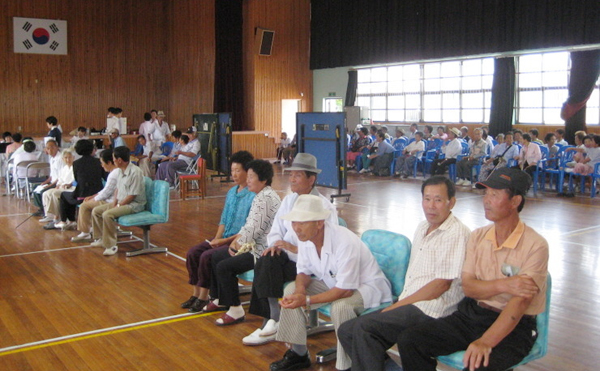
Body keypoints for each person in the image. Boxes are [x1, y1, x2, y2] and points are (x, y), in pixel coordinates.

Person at [397, 168, 548, 371]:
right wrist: (506, 284)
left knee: (478, 365)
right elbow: (469, 288)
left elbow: (518, 305)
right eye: (486, 194)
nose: (486, 200)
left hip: (516, 326)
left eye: (494, 194)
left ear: (515, 201)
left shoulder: (535, 245)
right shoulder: (478, 236)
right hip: (472, 315)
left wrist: (486, 341)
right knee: (411, 340)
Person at [338, 176, 471, 371]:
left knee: (364, 329)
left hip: (432, 309)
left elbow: (440, 286)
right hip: (411, 302)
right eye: (427, 199)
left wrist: (399, 305)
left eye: (438, 200)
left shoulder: (456, 233)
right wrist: (400, 303)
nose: (431, 206)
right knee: (347, 330)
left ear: (451, 202)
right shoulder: (422, 227)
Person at [270, 194, 392, 371]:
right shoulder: (305, 238)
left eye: (302, 222)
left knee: (341, 306)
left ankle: (348, 365)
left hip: (365, 287)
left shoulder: (344, 241)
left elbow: (345, 291)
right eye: (294, 222)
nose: (296, 228)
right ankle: (298, 354)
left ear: (319, 223)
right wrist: (300, 291)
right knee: (291, 290)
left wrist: (307, 300)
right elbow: (303, 271)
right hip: (333, 282)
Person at [242, 153, 338, 346]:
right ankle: (271, 319)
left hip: (311, 266)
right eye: (291, 175)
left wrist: (291, 247)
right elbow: (276, 228)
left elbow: (326, 248)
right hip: (287, 258)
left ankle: (271, 322)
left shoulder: (324, 207)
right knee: (266, 259)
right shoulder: (289, 200)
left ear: (311, 179)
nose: (292, 179)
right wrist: (276, 244)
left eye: (298, 175)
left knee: (268, 265)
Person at [204, 159, 281, 326]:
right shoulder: (260, 195)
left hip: (262, 251)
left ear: (264, 180)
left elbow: (255, 229)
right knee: (217, 256)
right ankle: (220, 299)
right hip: (253, 245)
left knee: (224, 266)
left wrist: (237, 244)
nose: (248, 180)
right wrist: (237, 242)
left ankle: (236, 309)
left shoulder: (266, 198)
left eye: (252, 177)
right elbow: (249, 225)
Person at [181, 151, 256, 313]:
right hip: (224, 237)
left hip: (239, 241)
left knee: (207, 257)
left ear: (248, 171)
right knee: (193, 253)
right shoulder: (231, 192)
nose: (234, 174)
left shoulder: (253, 196)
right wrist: (216, 239)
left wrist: (221, 242)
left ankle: (204, 296)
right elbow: (223, 220)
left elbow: (248, 229)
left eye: (237, 170)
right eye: (232, 170)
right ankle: (196, 294)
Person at [91, 146, 146, 256]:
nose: (113, 161)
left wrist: (119, 205)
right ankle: (101, 238)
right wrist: (115, 203)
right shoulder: (120, 171)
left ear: (119, 160)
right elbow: (117, 189)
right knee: (96, 211)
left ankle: (111, 245)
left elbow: (132, 195)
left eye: (114, 158)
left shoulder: (136, 172)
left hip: (134, 205)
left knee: (107, 214)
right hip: (121, 202)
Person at [71, 149, 119, 242]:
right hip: (109, 199)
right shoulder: (114, 172)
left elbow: (106, 193)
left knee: (85, 205)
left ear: (109, 162)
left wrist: (94, 198)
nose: (101, 165)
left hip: (111, 201)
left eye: (102, 163)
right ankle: (90, 230)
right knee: (87, 203)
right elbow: (106, 190)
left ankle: (86, 233)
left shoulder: (114, 174)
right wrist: (93, 196)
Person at [56, 140, 104, 230]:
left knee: (64, 195)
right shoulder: (99, 162)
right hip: (98, 194)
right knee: (69, 195)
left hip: (82, 196)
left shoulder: (76, 163)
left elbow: (78, 180)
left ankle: (67, 220)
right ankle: (71, 221)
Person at [39, 149, 75, 230]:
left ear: (73, 158)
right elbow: (60, 179)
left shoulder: (75, 167)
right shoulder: (65, 168)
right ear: (63, 159)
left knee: (55, 194)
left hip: (70, 189)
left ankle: (57, 217)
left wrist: (68, 184)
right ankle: (50, 215)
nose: (68, 160)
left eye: (69, 157)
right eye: (65, 158)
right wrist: (58, 185)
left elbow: (74, 181)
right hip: (61, 187)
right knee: (46, 193)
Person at [31, 139, 64, 216]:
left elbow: (61, 176)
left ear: (57, 147)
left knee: (43, 191)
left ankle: (47, 211)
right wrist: (45, 182)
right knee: (36, 186)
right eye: (48, 148)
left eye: (52, 147)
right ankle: (41, 208)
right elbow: (52, 175)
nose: (50, 150)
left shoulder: (60, 158)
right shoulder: (51, 158)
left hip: (58, 183)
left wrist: (49, 185)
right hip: (52, 181)